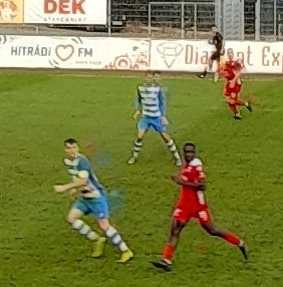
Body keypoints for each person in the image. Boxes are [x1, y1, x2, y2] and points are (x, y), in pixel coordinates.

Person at [151, 142, 246, 271]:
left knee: (212, 230)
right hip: (184, 204)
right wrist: (179, 177)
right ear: (183, 153)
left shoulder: (197, 165)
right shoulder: (187, 164)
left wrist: (181, 181)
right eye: (187, 152)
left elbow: (202, 185)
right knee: (175, 228)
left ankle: (238, 242)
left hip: (198, 206)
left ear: (194, 153)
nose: (189, 155)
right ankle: (166, 260)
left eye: (191, 152)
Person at [52, 139, 133, 263]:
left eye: (74, 147)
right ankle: (97, 239)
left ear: (78, 148)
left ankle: (126, 250)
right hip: (84, 197)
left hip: (96, 197)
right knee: (71, 218)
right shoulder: (67, 161)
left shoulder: (82, 161)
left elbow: (83, 180)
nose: (71, 150)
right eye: (68, 148)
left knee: (104, 225)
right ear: (65, 150)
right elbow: (76, 178)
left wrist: (64, 187)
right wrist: (75, 190)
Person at [127, 73, 181, 166]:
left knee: (166, 137)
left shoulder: (157, 89)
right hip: (145, 117)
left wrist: (163, 115)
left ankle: (177, 157)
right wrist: (138, 110)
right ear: (144, 78)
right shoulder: (140, 88)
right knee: (139, 137)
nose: (149, 79)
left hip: (156, 117)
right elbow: (138, 99)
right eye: (148, 77)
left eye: (151, 78)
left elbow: (162, 102)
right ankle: (134, 157)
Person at [221, 49, 253, 119]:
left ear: (233, 53)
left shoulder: (236, 62)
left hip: (236, 83)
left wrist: (234, 80)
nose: (230, 54)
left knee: (233, 100)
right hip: (229, 83)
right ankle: (237, 113)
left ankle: (243, 107)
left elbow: (242, 70)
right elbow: (226, 77)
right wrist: (224, 87)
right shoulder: (226, 63)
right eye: (228, 53)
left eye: (231, 53)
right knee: (227, 100)